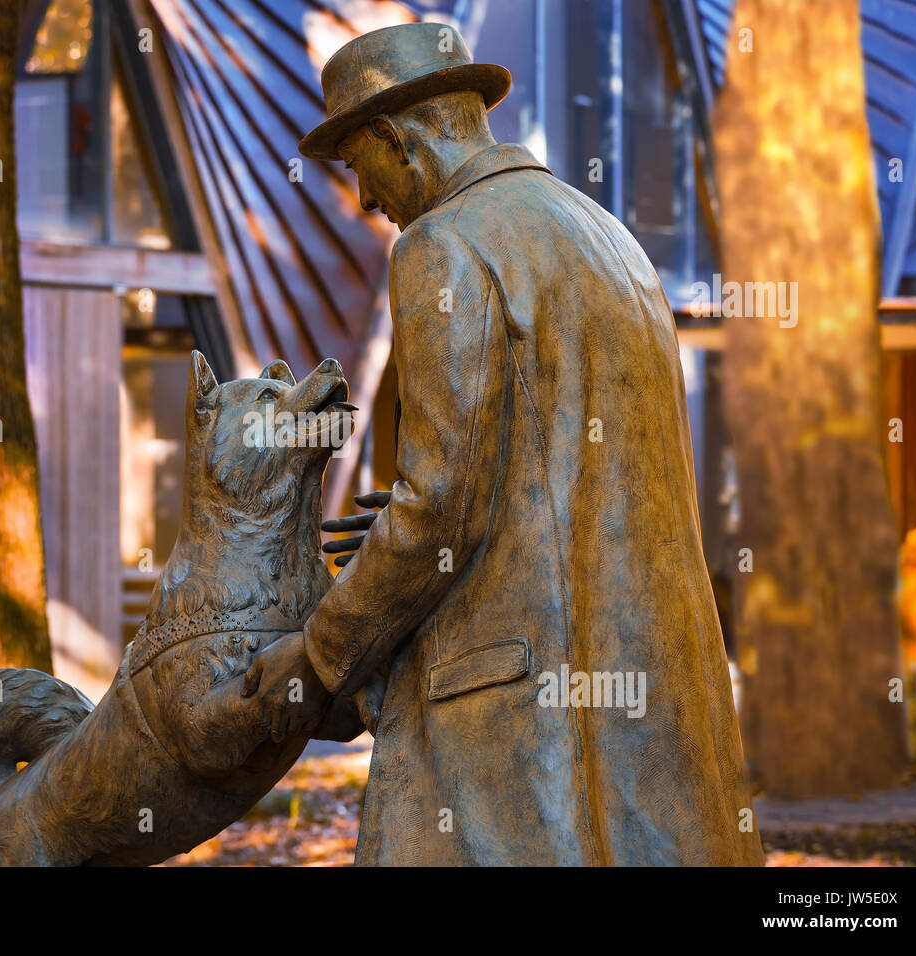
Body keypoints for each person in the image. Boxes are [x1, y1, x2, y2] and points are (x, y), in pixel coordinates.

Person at [241, 21, 762, 866]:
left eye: (358, 169)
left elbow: (441, 506)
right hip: (654, 703)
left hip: (514, 712)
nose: (367, 201)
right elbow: (585, 472)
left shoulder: (443, 244)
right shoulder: (610, 239)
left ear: (393, 140)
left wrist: (317, 654)